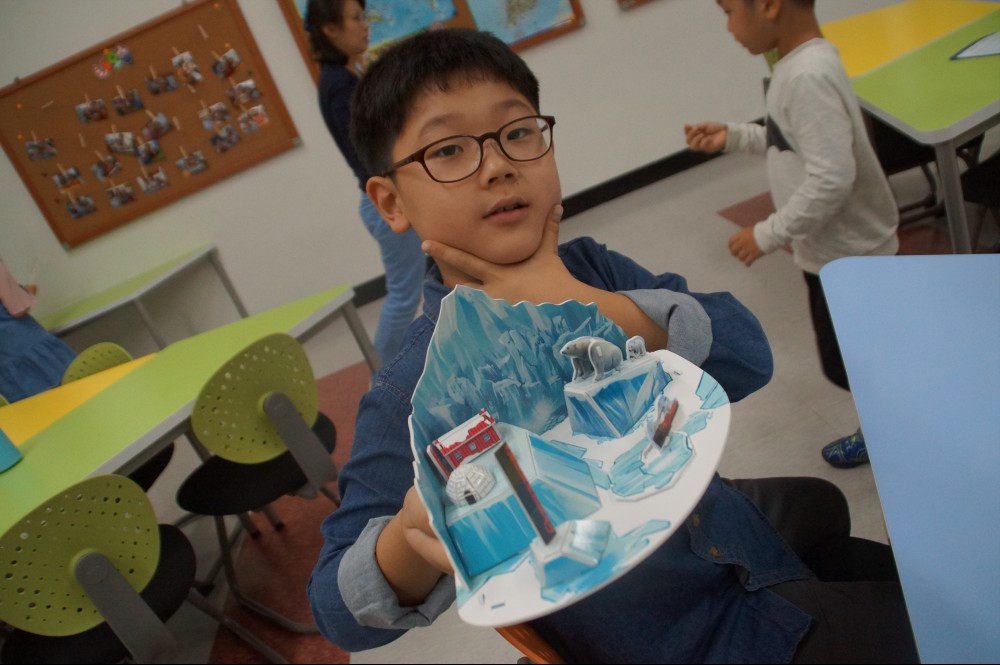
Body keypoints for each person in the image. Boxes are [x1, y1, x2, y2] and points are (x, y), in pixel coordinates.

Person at [307, 28, 917, 663]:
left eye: (518, 132)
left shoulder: (591, 269)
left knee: (831, 514)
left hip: (723, 535)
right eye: (449, 150)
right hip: (694, 639)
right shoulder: (414, 390)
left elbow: (747, 356)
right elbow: (336, 610)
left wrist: (578, 300)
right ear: (390, 202)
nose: (497, 164)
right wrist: (408, 537)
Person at [684, 0, 899, 469]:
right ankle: (885, 426)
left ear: (768, 6)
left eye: (728, 11)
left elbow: (832, 179)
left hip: (852, 257)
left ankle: (896, 431)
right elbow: (788, 139)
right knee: (858, 361)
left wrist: (767, 233)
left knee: (860, 363)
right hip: (832, 253)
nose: (729, 27)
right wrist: (733, 136)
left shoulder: (806, 75)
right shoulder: (796, 66)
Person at [306, 0, 425, 366]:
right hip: (387, 202)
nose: (365, 25)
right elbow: (364, 153)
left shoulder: (345, 76)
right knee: (404, 296)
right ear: (330, 29)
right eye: (355, 18)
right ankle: (383, 377)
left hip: (390, 198)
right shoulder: (338, 84)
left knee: (432, 277)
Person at [0, 258, 76, 403]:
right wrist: (28, 293)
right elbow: (18, 308)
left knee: (32, 410)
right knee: (72, 394)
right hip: (26, 346)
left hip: (5, 365)